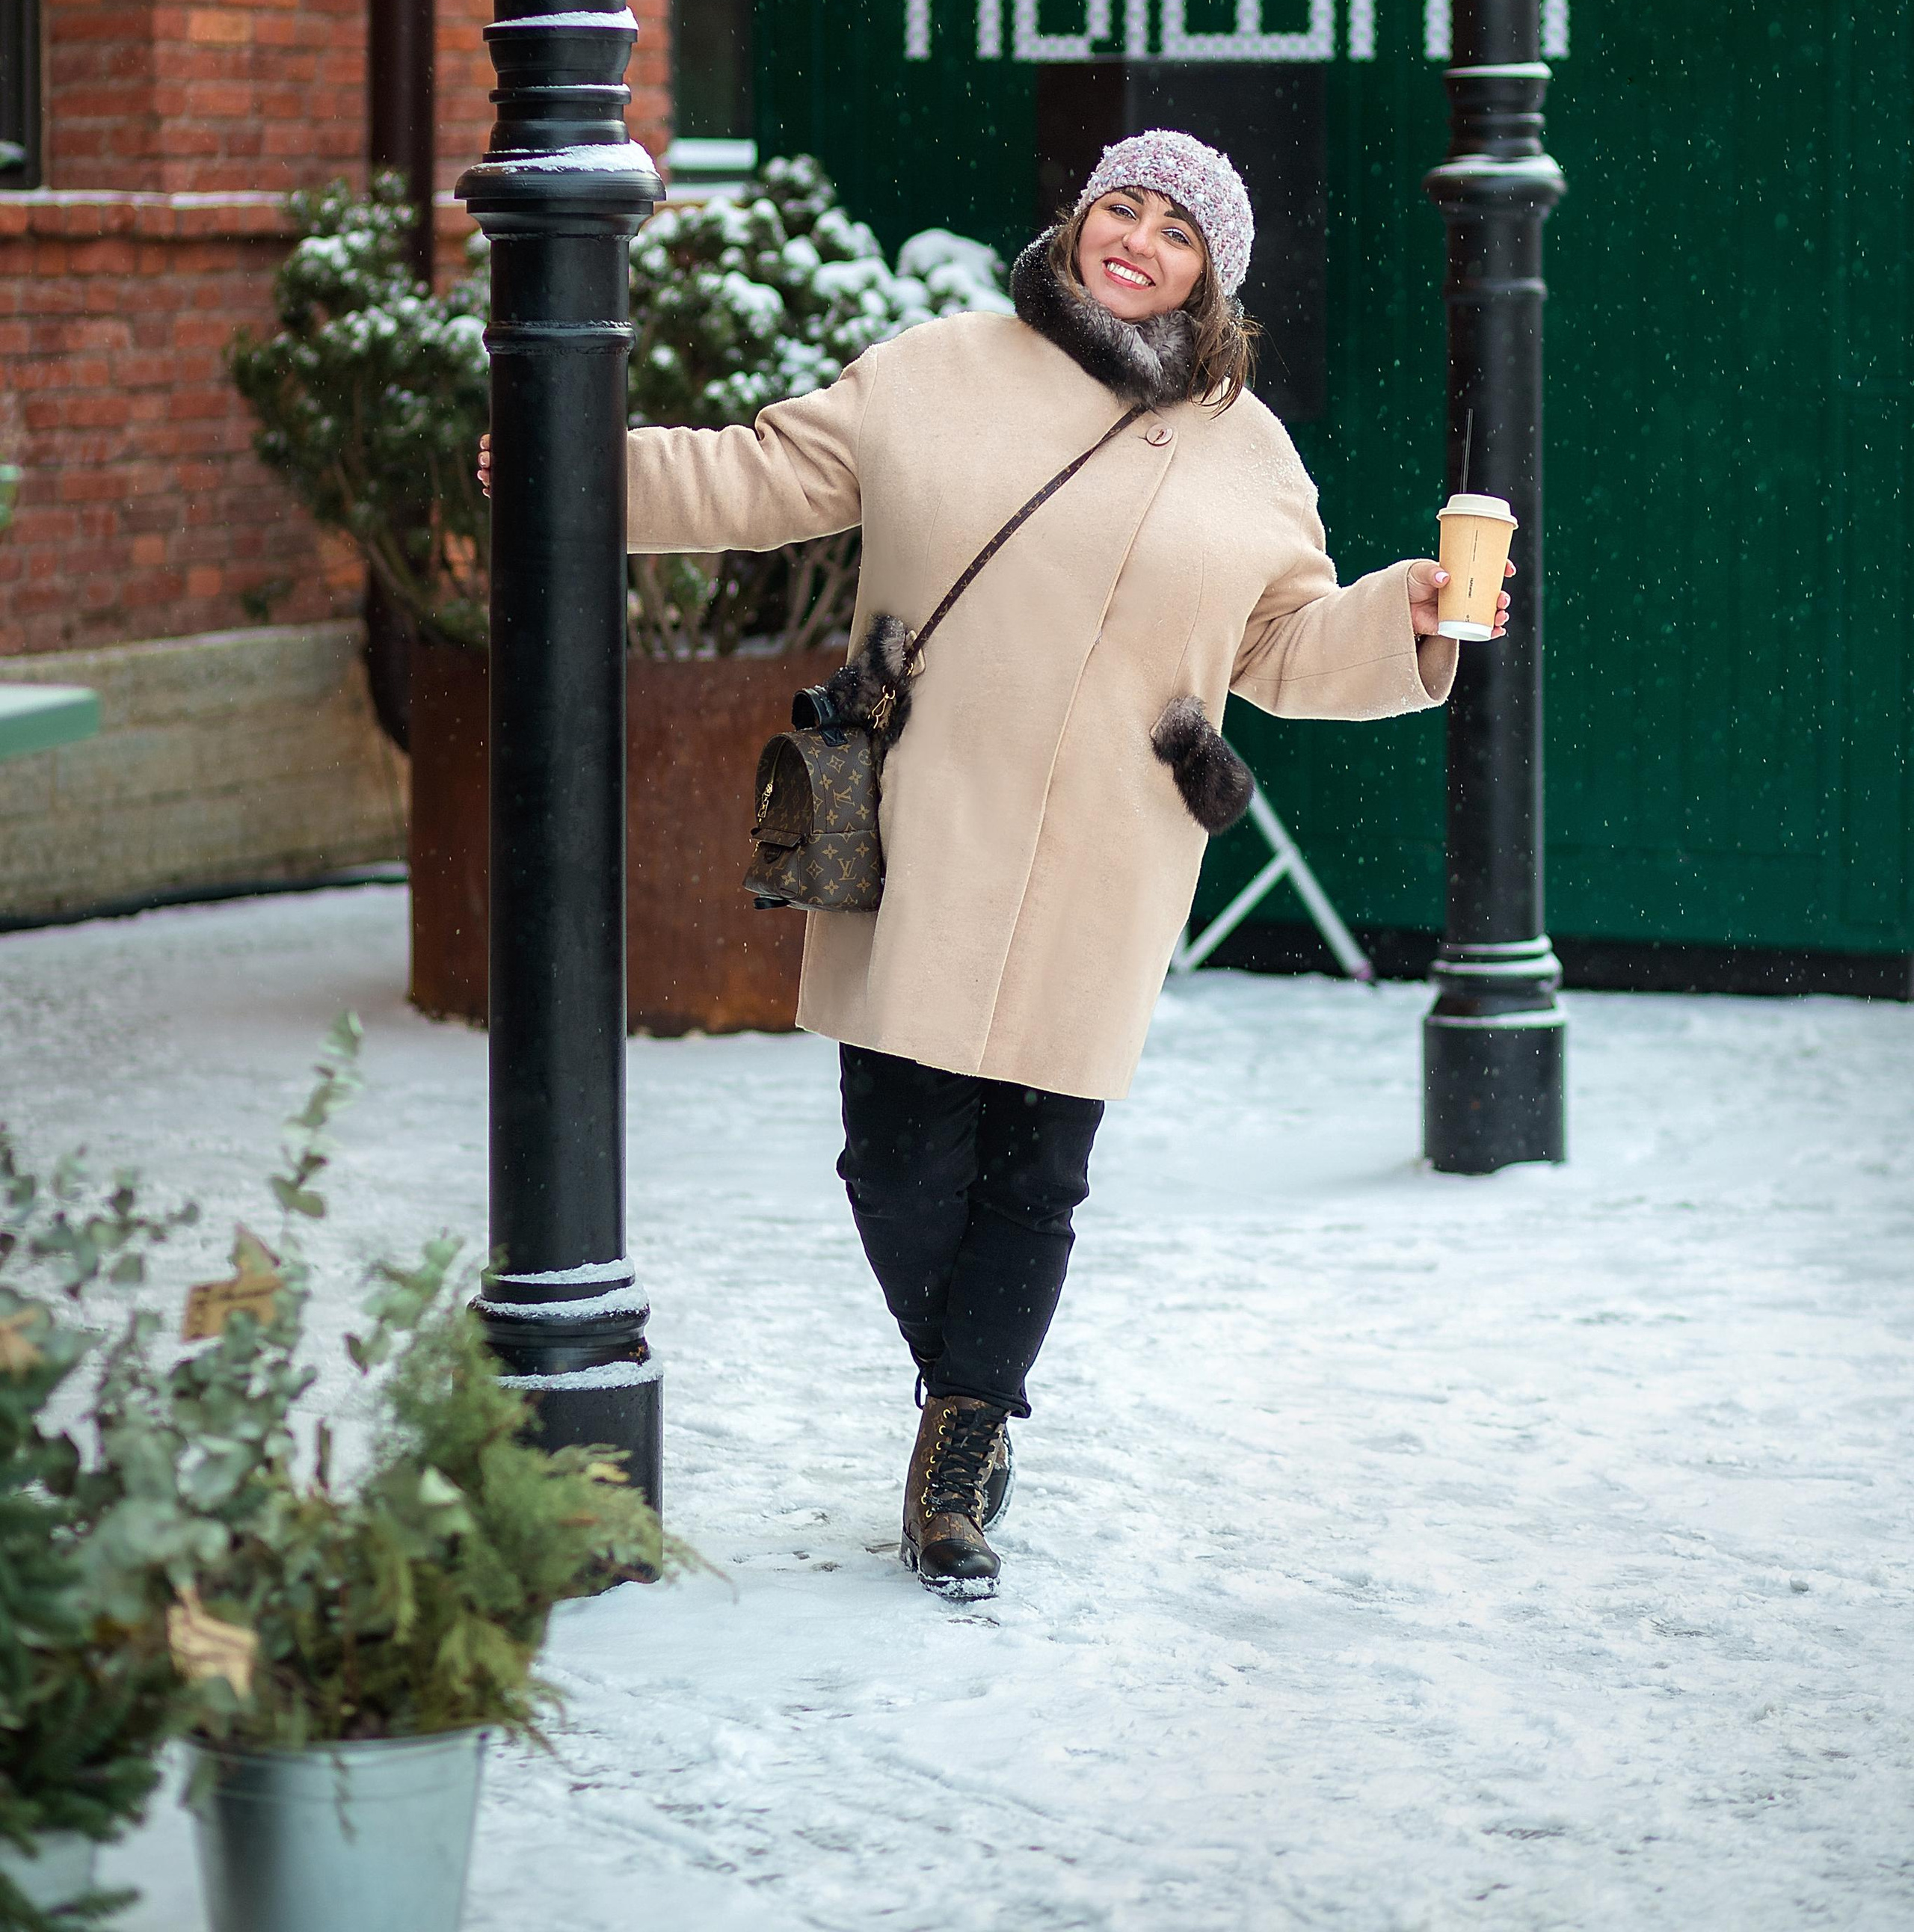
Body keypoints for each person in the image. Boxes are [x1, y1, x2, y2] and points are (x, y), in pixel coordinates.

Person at [486, 132, 1510, 1602]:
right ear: (1078, 217)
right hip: (923, 823)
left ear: (1212, 273)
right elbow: (759, 476)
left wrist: (1407, 617)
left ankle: (961, 1445)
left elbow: (1279, 649)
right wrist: (567, 460)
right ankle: (962, 1385)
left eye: (1175, 230)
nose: (1137, 243)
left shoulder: (1248, 451)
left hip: (1113, 851)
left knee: (1034, 1176)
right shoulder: (935, 370)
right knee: (893, 1160)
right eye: (1121, 209)